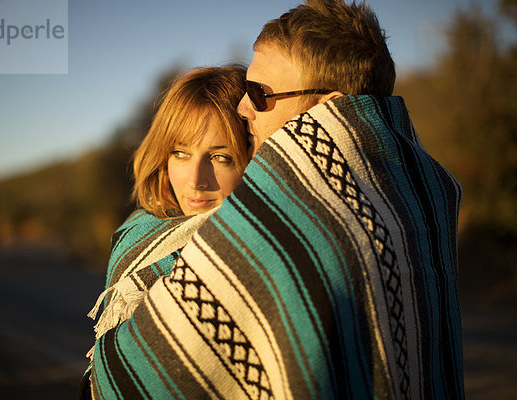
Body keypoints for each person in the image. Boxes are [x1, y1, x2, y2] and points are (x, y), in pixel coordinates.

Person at [85, 1, 464, 399]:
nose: (244, 107)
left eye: (260, 94)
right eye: (180, 152)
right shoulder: (416, 197)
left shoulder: (297, 224)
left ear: (327, 108)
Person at [82, 65, 249, 366]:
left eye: (220, 157)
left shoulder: (267, 253)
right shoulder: (140, 236)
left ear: (252, 160)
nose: (195, 180)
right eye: (180, 153)